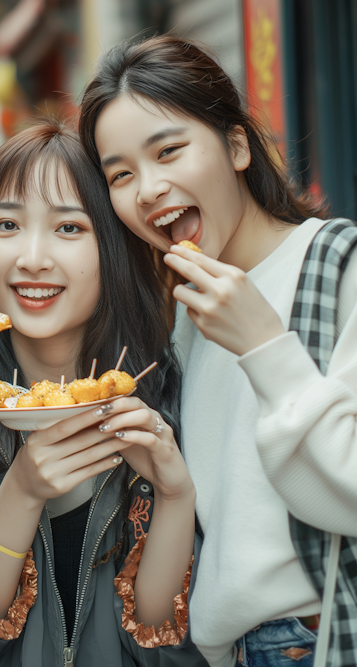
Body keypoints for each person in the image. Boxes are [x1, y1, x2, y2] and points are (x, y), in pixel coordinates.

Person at [78, 35, 357, 667]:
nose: (148, 189)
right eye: (120, 174)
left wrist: (265, 347)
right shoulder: (179, 318)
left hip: (318, 641)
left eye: (169, 150)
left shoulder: (339, 266)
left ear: (236, 145)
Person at [0, 121, 205, 667]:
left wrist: (174, 497)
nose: (32, 258)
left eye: (69, 228)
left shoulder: (167, 382)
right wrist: (23, 491)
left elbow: (163, 646)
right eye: (7, 224)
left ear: (113, 245)